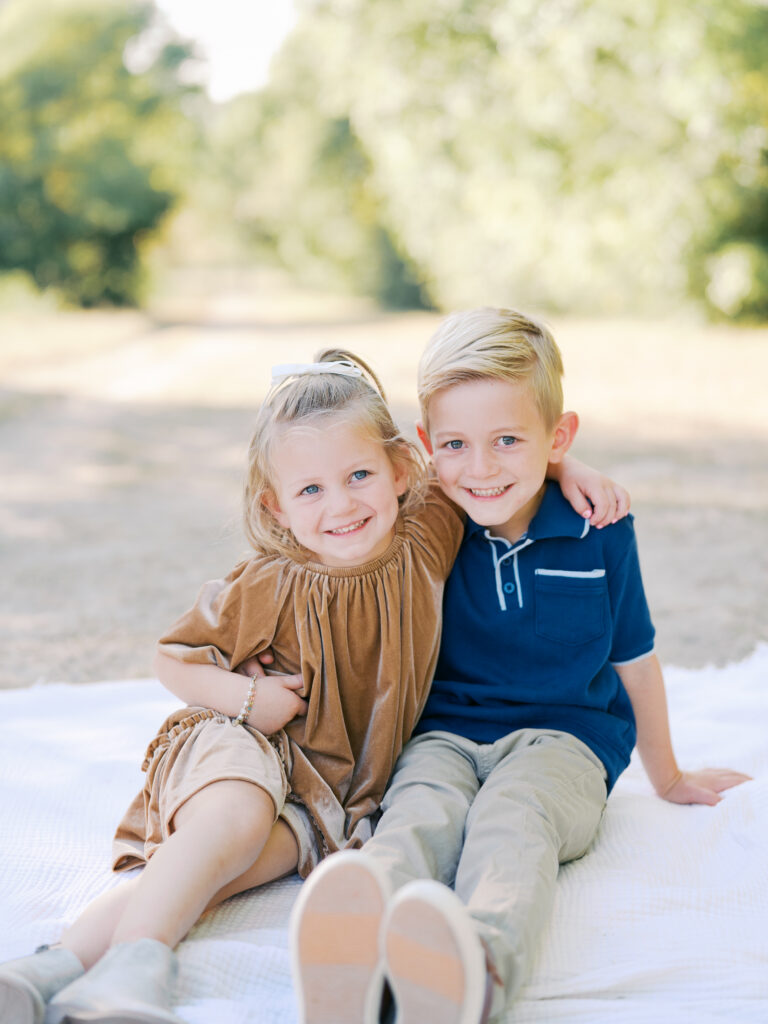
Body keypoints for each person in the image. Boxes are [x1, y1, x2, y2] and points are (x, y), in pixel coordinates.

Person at [0, 346, 618, 1024]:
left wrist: (565, 462)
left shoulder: (426, 535)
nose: (343, 504)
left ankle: (44, 971)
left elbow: (480, 466)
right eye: (311, 490)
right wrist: (248, 699)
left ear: (399, 471)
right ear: (277, 504)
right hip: (247, 742)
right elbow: (173, 660)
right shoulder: (271, 580)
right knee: (231, 823)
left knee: (216, 873)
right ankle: (128, 976)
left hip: (325, 793)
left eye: (359, 475)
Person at [290, 309, 752, 1024]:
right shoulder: (426, 517)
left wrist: (667, 773)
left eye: (509, 440)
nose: (481, 467)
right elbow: (335, 494)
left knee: (514, 821)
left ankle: (475, 970)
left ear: (557, 435)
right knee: (418, 814)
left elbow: (634, 653)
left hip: (564, 742)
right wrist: (554, 461)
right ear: (426, 450)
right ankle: (354, 948)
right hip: (443, 734)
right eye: (456, 445)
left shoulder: (600, 528)